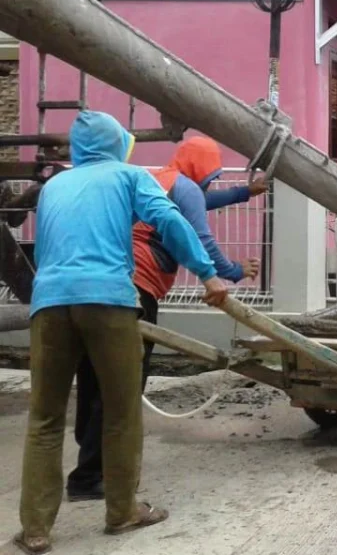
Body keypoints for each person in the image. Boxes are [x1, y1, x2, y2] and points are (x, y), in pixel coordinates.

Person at [15, 112, 227, 555]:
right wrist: (208, 274)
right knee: (121, 409)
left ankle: (35, 529)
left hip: (49, 303)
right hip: (109, 299)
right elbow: (169, 222)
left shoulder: (54, 186)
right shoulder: (130, 177)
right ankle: (122, 511)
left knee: (45, 418)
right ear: (116, 144)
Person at [66, 136, 263, 503]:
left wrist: (244, 192)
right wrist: (232, 271)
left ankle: (89, 465)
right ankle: (92, 476)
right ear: (203, 168)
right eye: (212, 174)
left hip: (102, 286)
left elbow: (202, 202)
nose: (210, 182)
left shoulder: (161, 179)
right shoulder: (185, 189)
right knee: (124, 385)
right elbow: (199, 236)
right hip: (136, 291)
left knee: (93, 379)